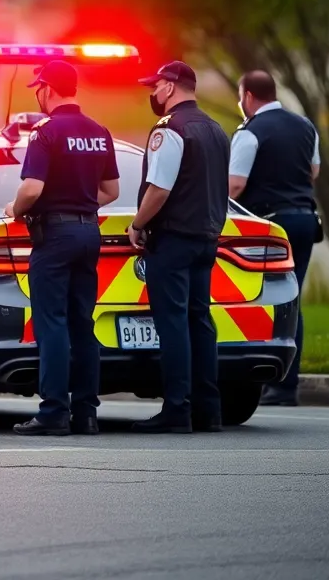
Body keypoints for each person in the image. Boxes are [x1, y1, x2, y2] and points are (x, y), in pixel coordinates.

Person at [4, 59, 121, 436]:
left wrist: (15, 209)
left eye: (38, 89)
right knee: (82, 324)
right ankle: (86, 413)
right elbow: (111, 191)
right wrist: (80, 206)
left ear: (47, 89)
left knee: (52, 323)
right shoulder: (100, 131)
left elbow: (32, 189)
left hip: (54, 238)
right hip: (89, 234)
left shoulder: (45, 132)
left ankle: (54, 411)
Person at [127, 61, 230, 433]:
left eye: (154, 87)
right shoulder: (216, 129)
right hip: (206, 238)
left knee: (172, 324)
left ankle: (177, 409)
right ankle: (208, 410)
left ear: (169, 87)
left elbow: (160, 188)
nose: (152, 95)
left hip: (172, 239)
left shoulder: (170, 129)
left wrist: (137, 224)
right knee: (200, 322)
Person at [228, 70, 321, 407]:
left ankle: (275, 383)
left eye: (241, 97)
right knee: (293, 298)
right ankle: (287, 387)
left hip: (268, 224)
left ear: (248, 96)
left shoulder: (250, 132)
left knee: (266, 299)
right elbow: (313, 172)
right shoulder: (305, 126)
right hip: (305, 219)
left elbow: (235, 185)